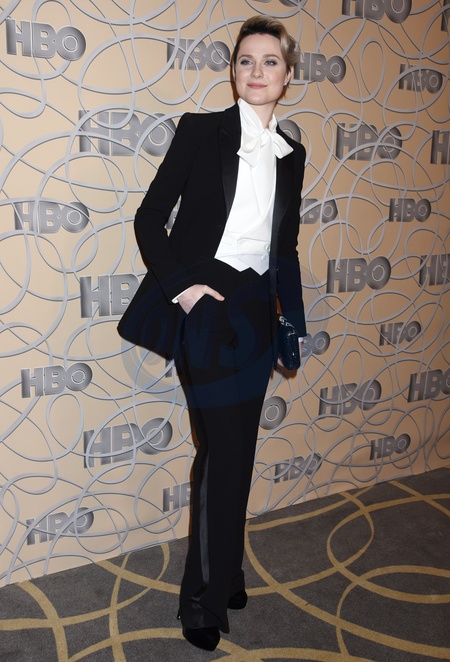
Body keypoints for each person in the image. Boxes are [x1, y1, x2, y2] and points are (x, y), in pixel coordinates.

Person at [118, 15, 307, 652]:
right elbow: (150, 218)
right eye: (246, 60)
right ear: (233, 70)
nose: (257, 71)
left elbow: (286, 248)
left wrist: (291, 323)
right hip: (205, 305)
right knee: (222, 452)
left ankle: (227, 572)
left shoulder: (291, 153)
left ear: (288, 75)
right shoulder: (201, 131)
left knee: (239, 450)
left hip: (256, 311)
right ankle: (201, 601)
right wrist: (185, 290)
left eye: (270, 61)